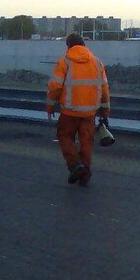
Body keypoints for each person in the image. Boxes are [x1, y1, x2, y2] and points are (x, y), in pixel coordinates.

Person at [46, 33, 111, 187]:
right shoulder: (97, 63)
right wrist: (105, 111)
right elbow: (104, 89)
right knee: (86, 142)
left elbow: (55, 87)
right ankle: (85, 175)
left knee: (65, 137)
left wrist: (50, 106)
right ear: (83, 45)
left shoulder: (64, 62)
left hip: (69, 112)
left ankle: (75, 165)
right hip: (89, 113)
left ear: (68, 46)